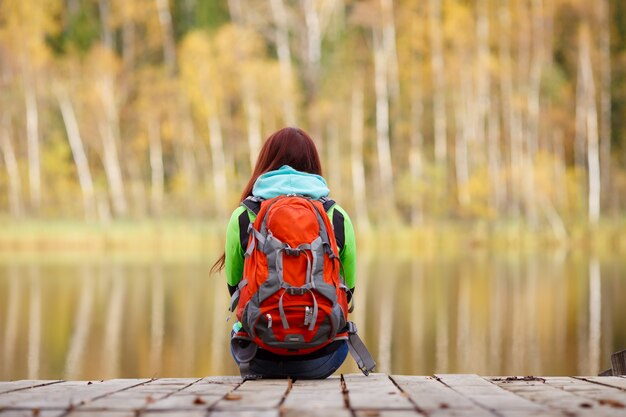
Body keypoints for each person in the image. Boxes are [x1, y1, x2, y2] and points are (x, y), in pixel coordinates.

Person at [211, 126, 357, 379]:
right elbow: (348, 291)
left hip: (257, 356)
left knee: (238, 325)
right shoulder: (337, 216)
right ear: (313, 163)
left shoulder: (244, 215)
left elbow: (236, 288)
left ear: (266, 162)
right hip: (323, 357)